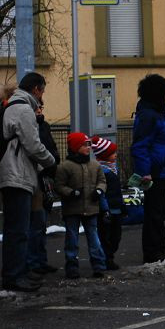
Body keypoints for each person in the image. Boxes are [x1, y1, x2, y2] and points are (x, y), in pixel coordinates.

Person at [1, 73, 56, 292]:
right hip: (16, 175)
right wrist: (50, 161)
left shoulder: (14, 106)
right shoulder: (23, 109)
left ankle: (18, 272)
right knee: (18, 229)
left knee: (18, 228)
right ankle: (14, 275)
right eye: (42, 91)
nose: (42, 96)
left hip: (15, 173)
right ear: (35, 89)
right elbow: (33, 146)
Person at [132, 74, 165, 264]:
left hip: (160, 169)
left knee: (159, 213)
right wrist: (145, 171)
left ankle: (160, 250)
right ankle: (153, 252)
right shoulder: (149, 115)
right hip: (153, 172)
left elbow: (161, 144)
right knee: (154, 214)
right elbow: (141, 146)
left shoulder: (156, 113)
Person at [54, 133, 107, 279]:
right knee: (72, 239)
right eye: (84, 145)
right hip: (72, 209)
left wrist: (99, 190)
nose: (88, 148)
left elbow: (102, 181)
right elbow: (58, 186)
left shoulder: (95, 165)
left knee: (94, 238)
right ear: (75, 147)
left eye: (89, 145)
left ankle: (99, 266)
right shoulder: (65, 167)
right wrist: (70, 193)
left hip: (91, 208)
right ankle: (71, 266)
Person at [27, 104, 61, 274]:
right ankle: (34, 262)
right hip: (36, 177)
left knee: (41, 222)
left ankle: (39, 260)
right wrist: (51, 162)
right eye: (36, 108)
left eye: (40, 107)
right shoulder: (32, 126)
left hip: (45, 177)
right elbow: (38, 149)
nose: (40, 110)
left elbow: (51, 148)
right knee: (36, 222)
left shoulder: (43, 126)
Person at [92, 136, 123, 270]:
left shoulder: (113, 169)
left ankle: (109, 256)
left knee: (116, 235)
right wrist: (105, 209)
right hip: (107, 210)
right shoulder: (102, 171)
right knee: (106, 236)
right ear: (104, 155)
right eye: (112, 153)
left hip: (116, 207)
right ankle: (106, 259)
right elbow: (102, 192)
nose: (115, 155)